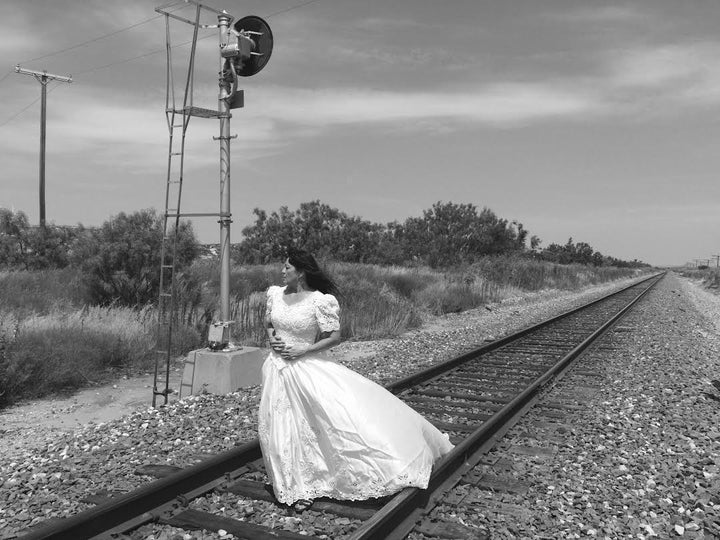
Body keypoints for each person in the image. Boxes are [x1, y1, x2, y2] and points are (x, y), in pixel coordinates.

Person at [258, 247, 454, 512]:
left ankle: (317, 478)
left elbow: (333, 336)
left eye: (287, 268)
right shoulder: (275, 295)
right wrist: (272, 338)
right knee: (280, 426)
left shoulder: (319, 301)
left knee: (320, 424)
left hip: (305, 367)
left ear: (301, 272)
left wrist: (303, 349)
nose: (282, 271)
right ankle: (291, 485)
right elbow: (269, 322)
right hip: (276, 368)